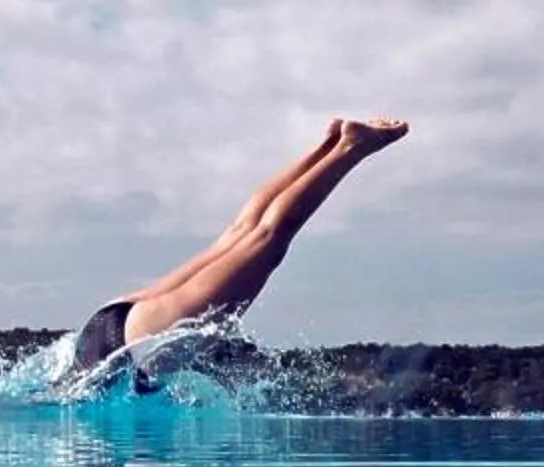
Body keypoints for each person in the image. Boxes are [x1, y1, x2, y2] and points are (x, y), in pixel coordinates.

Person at [68, 116, 409, 377]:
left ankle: (350, 147)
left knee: (267, 240)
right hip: (105, 326)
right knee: (239, 234)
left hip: (133, 346)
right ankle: (328, 144)